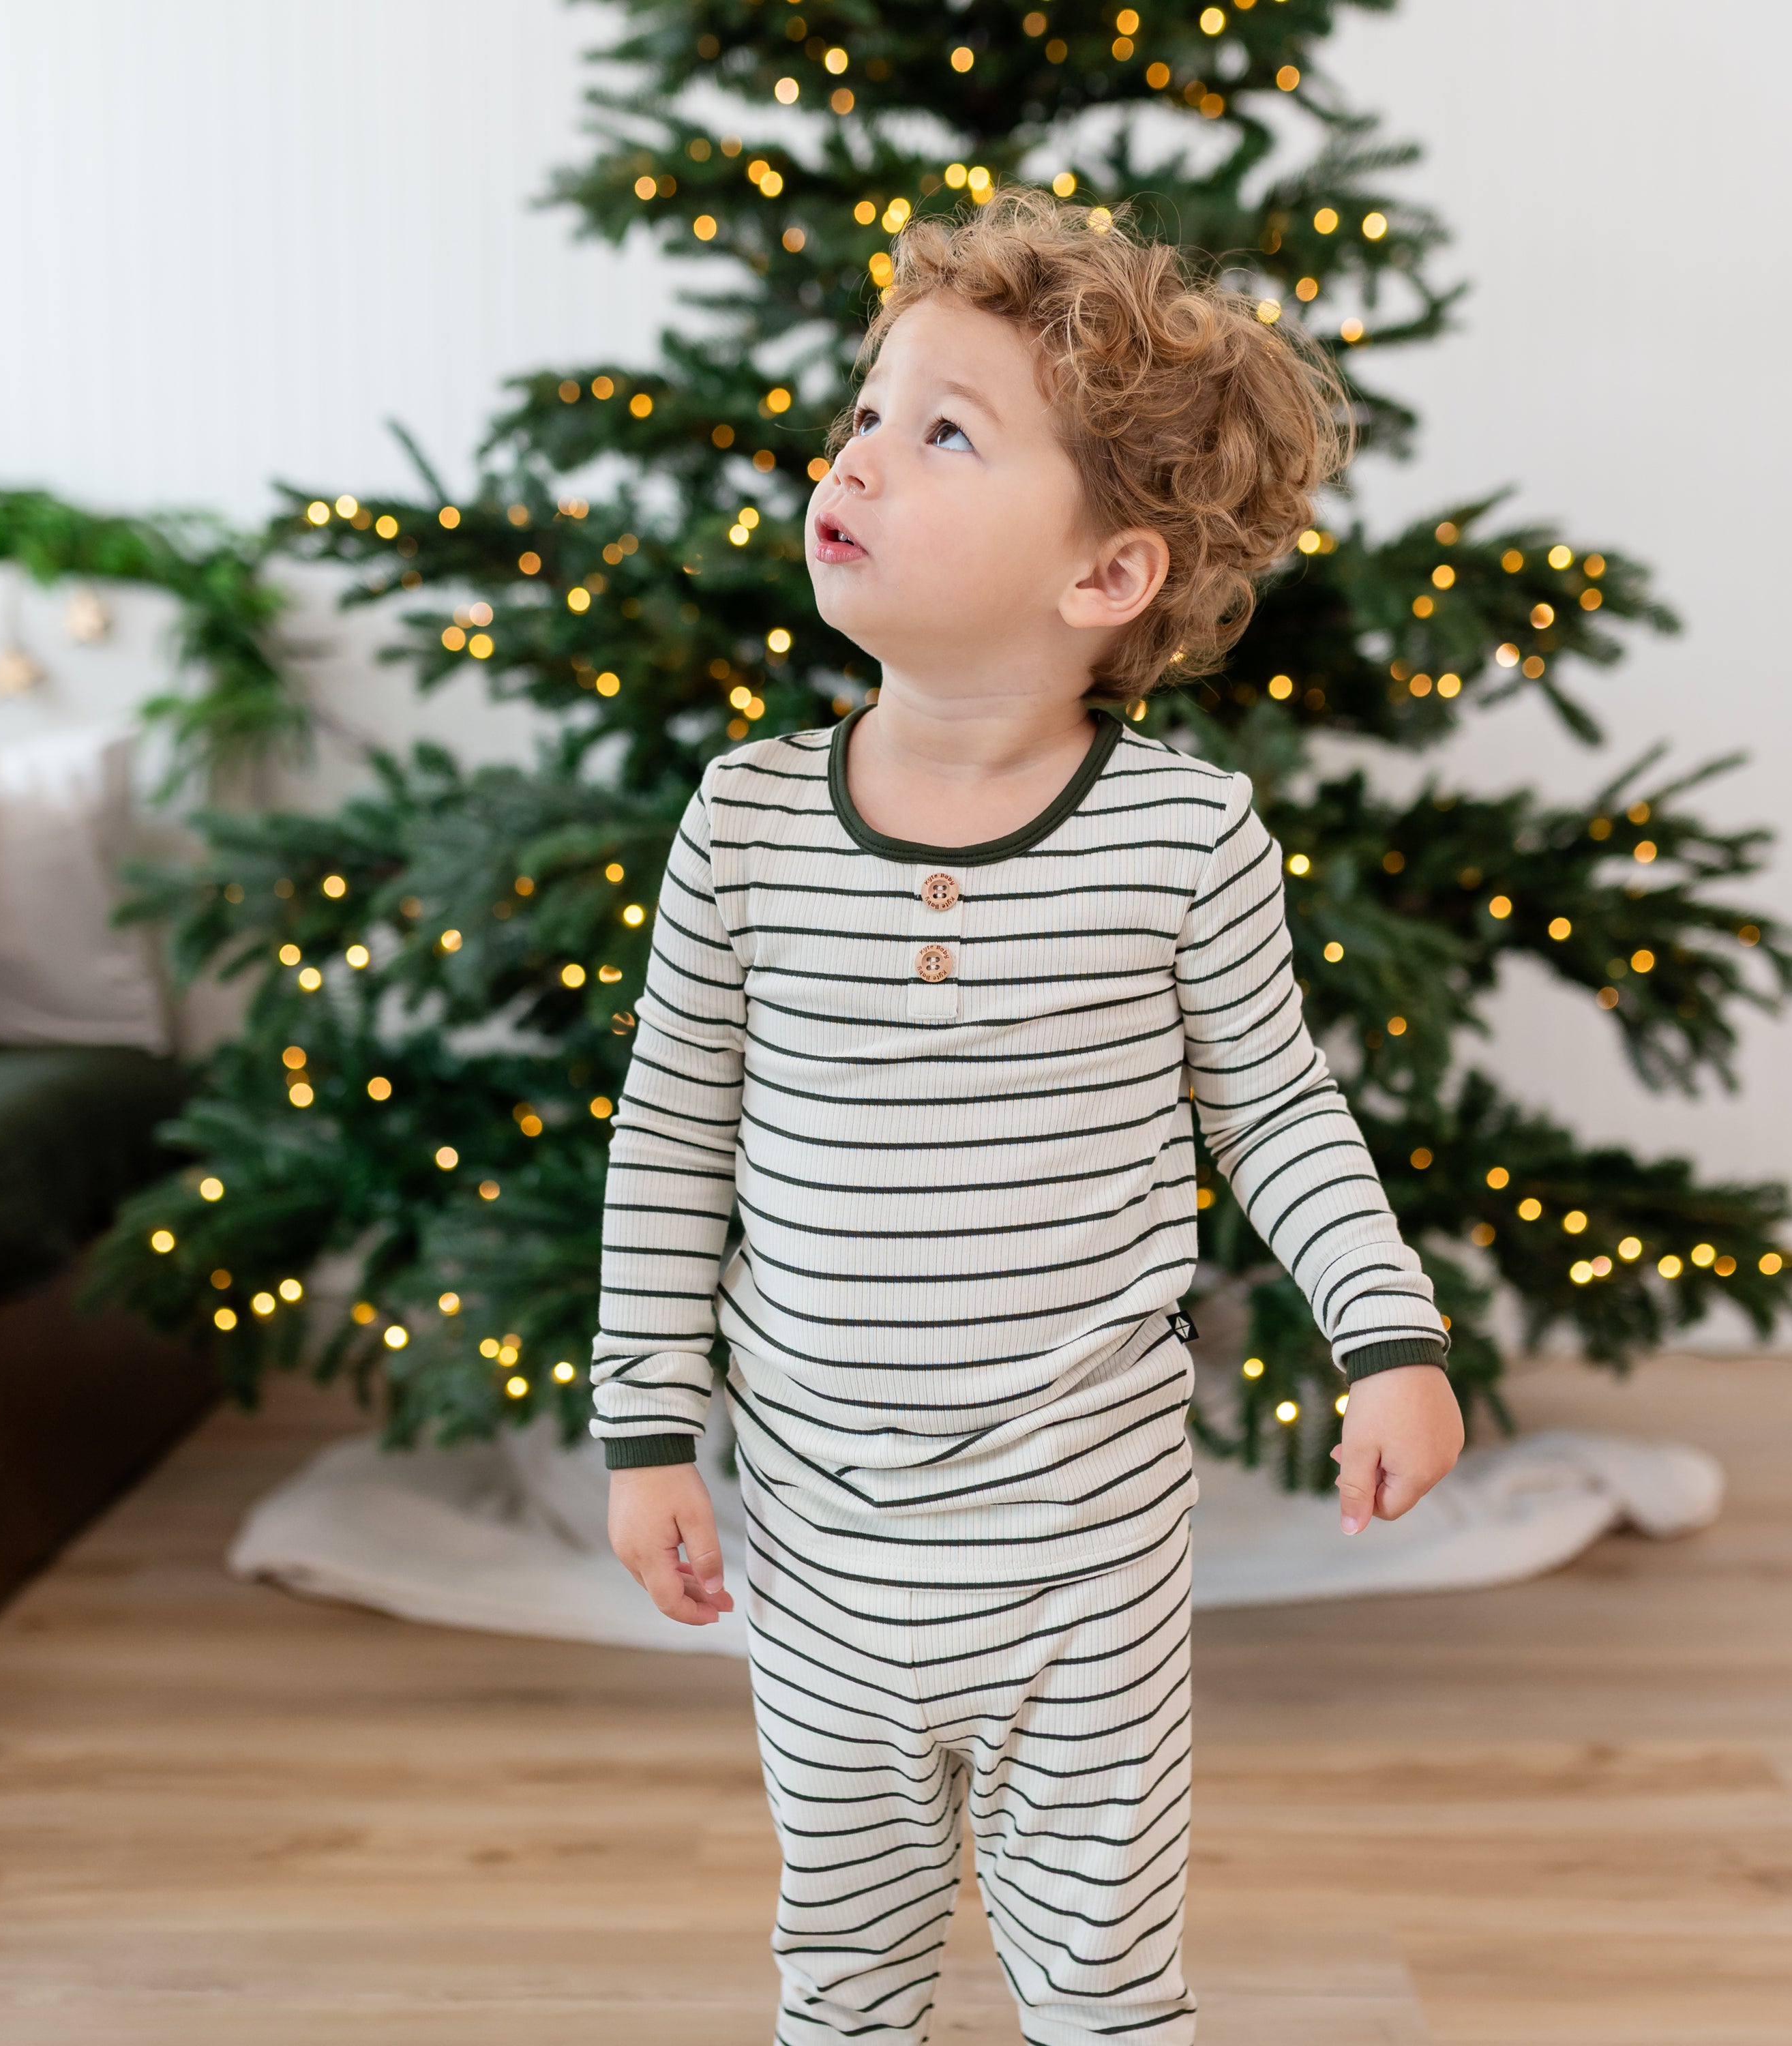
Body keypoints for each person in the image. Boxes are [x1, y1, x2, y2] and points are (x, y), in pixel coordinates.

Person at [592, 188, 1465, 2046]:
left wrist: (1386, 1338)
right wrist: (646, 1431)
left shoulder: (1180, 838)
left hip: (1085, 1557)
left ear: (1105, 578)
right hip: (821, 1546)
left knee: (1103, 1981)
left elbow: (1285, 1112)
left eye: (945, 433)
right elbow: (670, 1143)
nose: (862, 458)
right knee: (840, 1971)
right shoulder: (747, 822)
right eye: (866, 416)